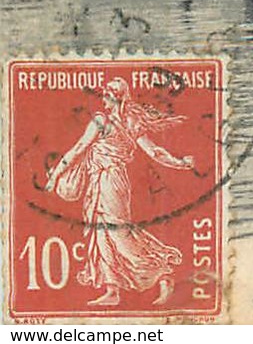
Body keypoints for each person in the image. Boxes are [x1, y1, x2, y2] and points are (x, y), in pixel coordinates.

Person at [43, 78, 193, 307]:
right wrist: (180, 163)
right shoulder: (130, 122)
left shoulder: (101, 121)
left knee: (117, 233)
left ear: (113, 97)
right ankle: (112, 289)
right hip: (107, 181)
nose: (103, 97)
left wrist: (54, 177)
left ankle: (162, 273)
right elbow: (155, 152)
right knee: (102, 232)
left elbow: (79, 149)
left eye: (106, 94)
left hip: (109, 181)